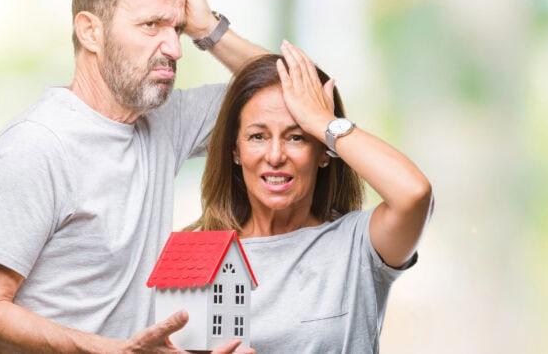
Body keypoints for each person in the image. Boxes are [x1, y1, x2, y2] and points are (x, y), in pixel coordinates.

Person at [0, 0, 265, 352]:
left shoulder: (165, 121)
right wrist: (109, 350)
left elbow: (302, 100)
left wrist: (208, 27)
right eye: (152, 25)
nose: (175, 48)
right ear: (90, 31)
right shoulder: (34, 149)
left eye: (178, 28)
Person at [186, 40, 434, 352]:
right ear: (235, 151)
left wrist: (322, 121)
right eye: (258, 136)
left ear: (324, 152)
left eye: (296, 137)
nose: (275, 155)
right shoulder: (198, 254)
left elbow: (414, 194)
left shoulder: (357, 245)